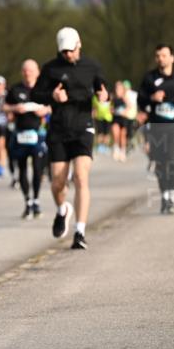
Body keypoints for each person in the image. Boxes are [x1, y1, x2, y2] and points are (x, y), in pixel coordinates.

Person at [30, 27, 109, 250]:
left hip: (83, 127)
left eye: (71, 51)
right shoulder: (50, 68)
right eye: (63, 52)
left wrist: (104, 95)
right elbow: (35, 94)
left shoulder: (91, 66)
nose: (68, 55)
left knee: (81, 177)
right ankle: (62, 209)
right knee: (57, 181)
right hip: (58, 129)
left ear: (79, 45)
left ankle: (80, 231)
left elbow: (102, 89)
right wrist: (52, 96)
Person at [137, 44, 174, 214]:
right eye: (158, 56)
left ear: (172, 58)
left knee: (172, 159)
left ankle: (171, 195)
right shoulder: (149, 78)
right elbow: (140, 101)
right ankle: (165, 196)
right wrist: (151, 98)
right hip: (156, 127)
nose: (160, 59)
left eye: (164, 55)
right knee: (161, 163)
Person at [7, 59, 51, 220]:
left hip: (38, 133)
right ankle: (28, 201)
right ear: (22, 72)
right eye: (25, 70)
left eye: (31, 70)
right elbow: (5, 106)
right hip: (21, 133)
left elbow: (53, 105)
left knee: (38, 169)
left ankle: (37, 200)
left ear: (37, 72)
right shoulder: (15, 89)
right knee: (22, 168)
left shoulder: (43, 88)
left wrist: (44, 110)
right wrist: (14, 108)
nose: (28, 73)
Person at [110, 80, 133, 161]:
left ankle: (122, 152)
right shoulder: (113, 97)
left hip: (123, 119)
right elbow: (109, 107)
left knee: (122, 136)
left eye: (119, 88)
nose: (118, 89)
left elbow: (130, 106)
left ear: (122, 89)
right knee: (115, 133)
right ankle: (116, 148)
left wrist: (125, 111)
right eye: (116, 88)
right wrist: (112, 110)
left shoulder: (124, 97)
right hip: (115, 118)